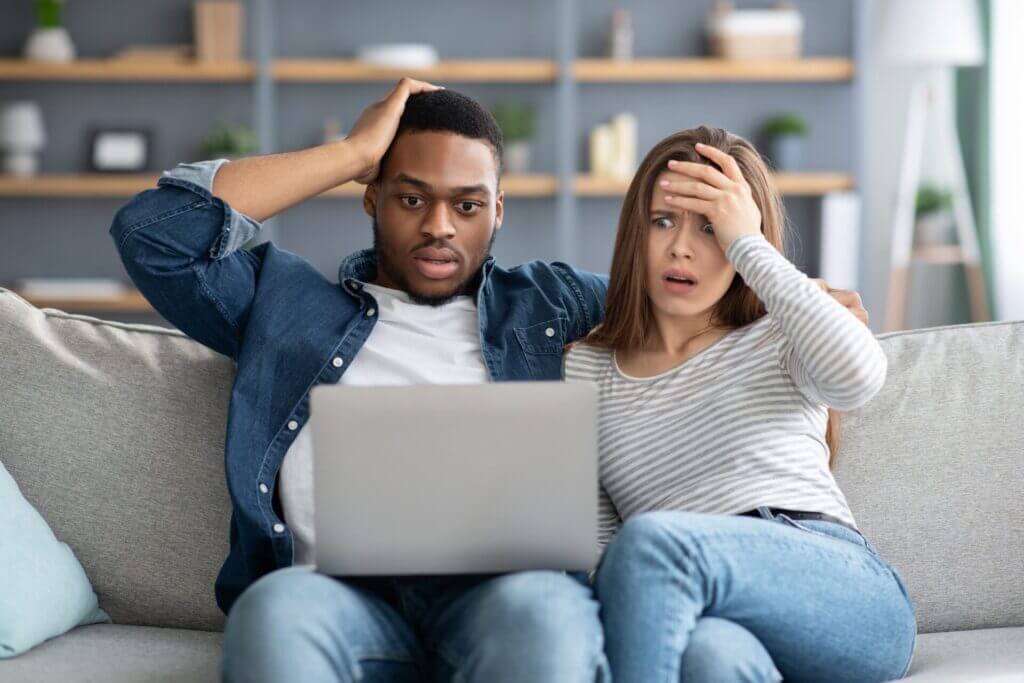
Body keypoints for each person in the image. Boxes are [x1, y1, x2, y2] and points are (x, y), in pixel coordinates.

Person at [110, 77, 868, 682]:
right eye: (412, 198)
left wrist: (795, 298)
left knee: (549, 616)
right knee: (272, 617)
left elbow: (683, 296)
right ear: (372, 196)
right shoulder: (282, 299)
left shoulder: (554, 305)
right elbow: (155, 234)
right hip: (330, 595)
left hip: (506, 600)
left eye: (467, 206)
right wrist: (350, 150)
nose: (441, 225)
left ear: (498, 213)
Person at [563, 126, 916, 683]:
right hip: (703, 608)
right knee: (708, 655)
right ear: (636, 232)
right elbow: (602, 553)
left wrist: (750, 243)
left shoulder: (779, 333)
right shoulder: (585, 368)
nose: (681, 247)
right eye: (662, 221)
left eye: (711, 228)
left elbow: (860, 378)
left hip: (841, 589)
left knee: (654, 541)